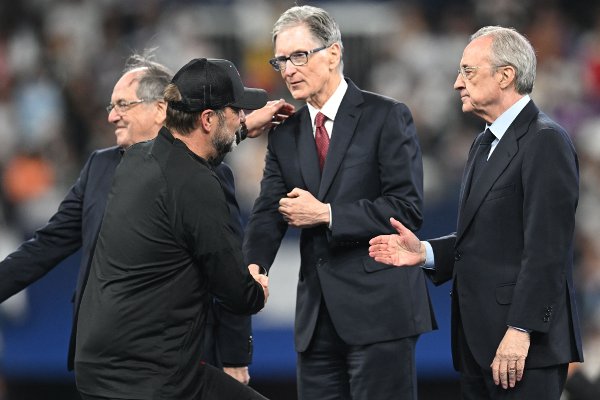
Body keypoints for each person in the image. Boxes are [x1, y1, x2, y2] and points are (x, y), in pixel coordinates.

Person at [0, 53, 293, 386]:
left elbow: (226, 264)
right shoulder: (101, 168)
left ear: (160, 109)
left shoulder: (209, 174)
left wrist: (236, 356)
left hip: (179, 359)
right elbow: (46, 245)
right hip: (114, 360)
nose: (112, 117)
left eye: (123, 105)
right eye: (111, 106)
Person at [369, 26, 583, 399]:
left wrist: (521, 329)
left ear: (505, 75)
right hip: (478, 344)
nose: (456, 83)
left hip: (521, 349)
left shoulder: (544, 140)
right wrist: (426, 252)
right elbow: (486, 238)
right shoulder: (483, 143)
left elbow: (547, 249)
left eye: (468, 71)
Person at [243, 5, 436, 400]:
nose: (289, 69)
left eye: (299, 56)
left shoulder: (387, 116)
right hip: (316, 323)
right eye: (281, 60)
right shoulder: (285, 133)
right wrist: (253, 265)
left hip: (381, 315)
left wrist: (327, 214)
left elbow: (406, 207)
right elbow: (268, 210)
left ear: (333, 53)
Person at [74, 57, 271, 400]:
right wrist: (257, 286)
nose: (243, 117)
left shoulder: (137, 159)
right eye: (236, 110)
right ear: (208, 119)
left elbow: (188, 159)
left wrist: (239, 131)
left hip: (100, 369)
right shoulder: (197, 186)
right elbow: (238, 295)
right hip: (150, 379)